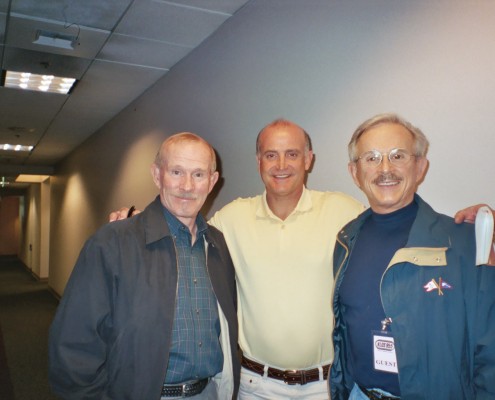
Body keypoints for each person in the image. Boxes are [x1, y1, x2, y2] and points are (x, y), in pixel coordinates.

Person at [49, 133, 240, 400]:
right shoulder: (112, 243)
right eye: (176, 172)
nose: (187, 186)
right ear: (157, 174)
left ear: (212, 181)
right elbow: (73, 346)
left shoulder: (217, 245)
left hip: (209, 392)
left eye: (198, 174)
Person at [330, 113, 495, 400]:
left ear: (420, 166)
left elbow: (490, 349)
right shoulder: (345, 240)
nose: (385, 168)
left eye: (398, 155)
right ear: (354, 173)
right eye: (371, 158)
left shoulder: (464, 243)